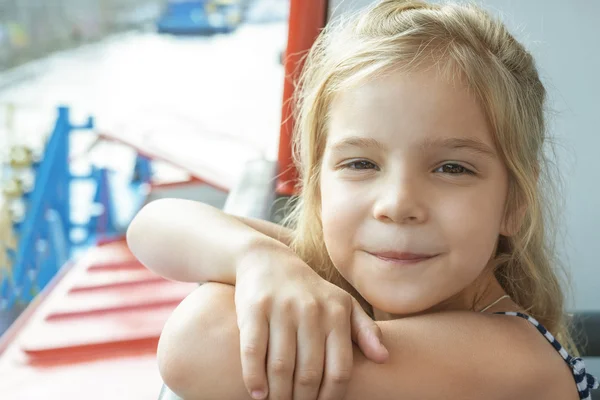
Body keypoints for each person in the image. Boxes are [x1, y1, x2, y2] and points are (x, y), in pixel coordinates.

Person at [127, 1, 599, 399]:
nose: (396, 203)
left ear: (514, 201)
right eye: (360, 164)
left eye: (452, 168)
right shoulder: (330, 275)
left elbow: (198, 345)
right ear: (317, 185)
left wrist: (256, 267)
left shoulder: (513, 358)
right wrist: (258, 259)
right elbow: (153, 226)